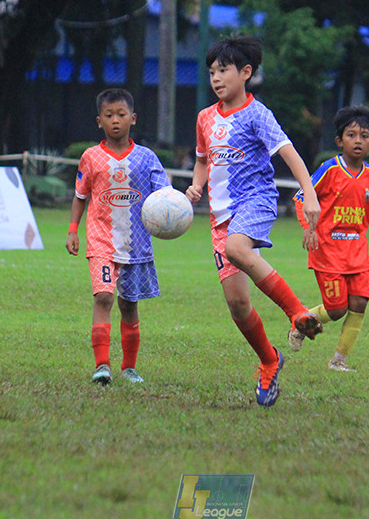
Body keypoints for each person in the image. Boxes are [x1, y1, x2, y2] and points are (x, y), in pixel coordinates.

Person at [184, 35, 323, 408]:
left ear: (245, 73)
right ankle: (269, 359)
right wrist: (196, 186)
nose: (216, 78)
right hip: (220, 217)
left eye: (224, 70)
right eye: (211, 71)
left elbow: (288, 153)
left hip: (256, 201)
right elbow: (202, 160)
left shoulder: (257, 114)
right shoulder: (205, 118)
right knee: (238, 306)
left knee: (237, 248)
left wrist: (309, 193)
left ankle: (297, 312)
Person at [66, 88, 172, 384]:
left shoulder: (146, 158)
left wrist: (176, 207)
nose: (115, 121)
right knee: (103, 297)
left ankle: (129, 368)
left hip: (136, 243)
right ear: (99, 120)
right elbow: (79, 196)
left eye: (121, 115)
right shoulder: (90, 158)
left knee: (129, 303)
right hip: (100, 240)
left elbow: (165, 196)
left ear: (133, 119)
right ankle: (102, 366)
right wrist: (73, 231)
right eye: (109, 115)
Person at [289, 106, 369, 372]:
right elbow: (301, 198)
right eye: (351, 135)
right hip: (328, 251)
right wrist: (307, 228)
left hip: (357, 253)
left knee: (359, 303)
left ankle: (338, 361)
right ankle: (301, 322)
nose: (358, 140)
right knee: (336, 310)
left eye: (364, 136)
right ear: (339, 140)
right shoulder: (329, 169)